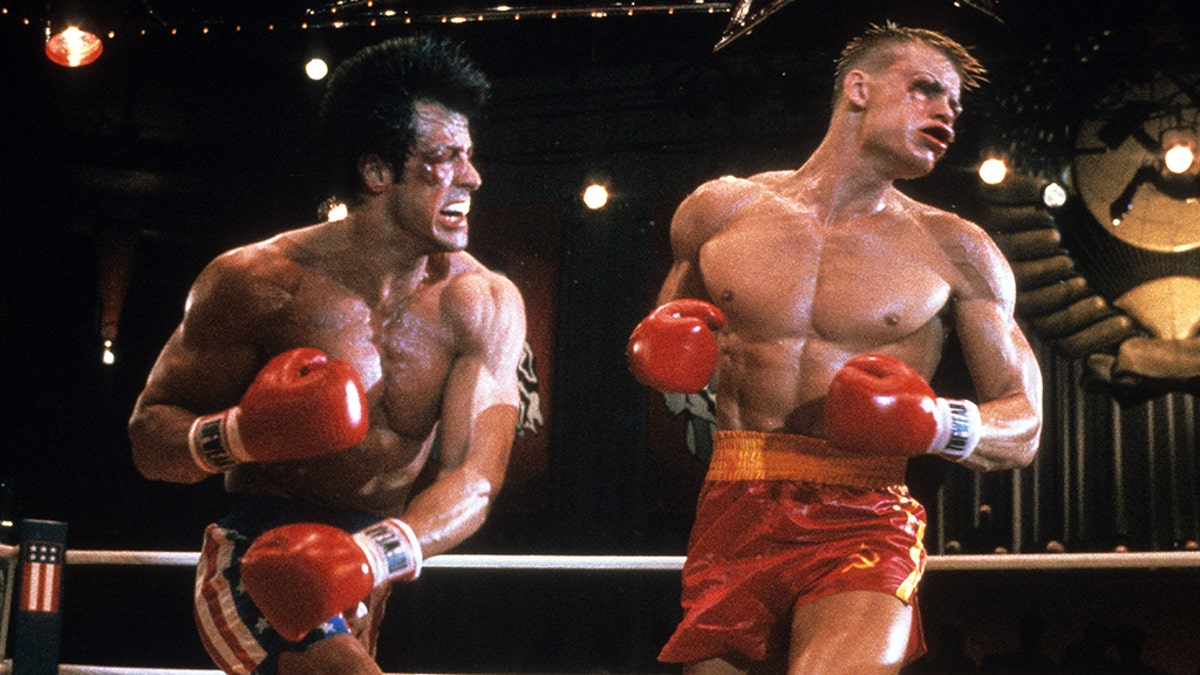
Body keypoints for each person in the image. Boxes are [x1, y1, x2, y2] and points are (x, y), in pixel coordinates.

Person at [628, 23, 1043, 675]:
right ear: (858, 87)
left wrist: (938, 422)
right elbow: (664, 353)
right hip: (731, 506)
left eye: (955, 106)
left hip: (862, 519)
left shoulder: (954, 248)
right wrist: (655, 354)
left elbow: (1024, 424)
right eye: (926, 89)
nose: (946, 113)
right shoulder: (719, 211)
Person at [128, 35, 527, 675]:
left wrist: (369, 557)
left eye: (470, 156)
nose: (472, 178)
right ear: (376, 172)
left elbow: (476, 478)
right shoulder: (258, 282)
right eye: (445, 158)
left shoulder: (481, 302)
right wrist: (238, 434)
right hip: (258, 555)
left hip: (372, 569)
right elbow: (149, 438)